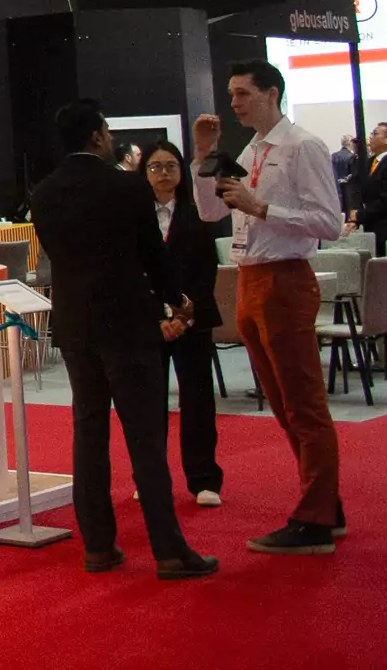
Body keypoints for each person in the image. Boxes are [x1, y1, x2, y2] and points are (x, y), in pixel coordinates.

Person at [30, 99, 217, 580]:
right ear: (96, 136)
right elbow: (152, 254)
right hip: (128, 322)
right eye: (108, 132)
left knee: (88, 433)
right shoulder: (127, 187)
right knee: (144, 436)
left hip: (75, 324)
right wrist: (177, 300)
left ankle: (97, 546)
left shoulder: (43, 193)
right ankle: (169, 550)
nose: (111, 139)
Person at [193, 60, 346, 555]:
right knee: (282, 403)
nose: (233, 103)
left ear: (271, 92)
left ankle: (316, 519)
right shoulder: (251, 150)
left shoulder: (303, 146)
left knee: (302, 402)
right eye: (232, 94)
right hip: (251, 278)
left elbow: (329, 223)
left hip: (285, 278)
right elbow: (210, 211)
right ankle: (324, 504)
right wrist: (203, 156)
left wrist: (260, 207)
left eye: (243, 93)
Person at [141, 141, 225, 507]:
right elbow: (133, 270)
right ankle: (150, 479)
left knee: (198, 400)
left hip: (192, 319)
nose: (163, 173)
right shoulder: (134, 215)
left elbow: (207, 270)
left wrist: (183, 315)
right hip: (148, 322)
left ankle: (204, 479)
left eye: (170, 166)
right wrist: (159, 317)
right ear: (144, 172)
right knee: (148, 403)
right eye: (155, 166)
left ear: (181, 171)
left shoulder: (199, 212)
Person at [349, 121, 387, 255]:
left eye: (375, 134)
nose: (370, 137)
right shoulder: (369, 162)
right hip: (370, 228)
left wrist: (362, 214)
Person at [333, 135, 358, 211]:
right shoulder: (352, 157)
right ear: (350, 143)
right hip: (349, 191)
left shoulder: (333, 156)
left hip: (335, 189)